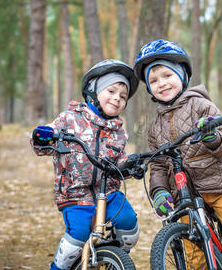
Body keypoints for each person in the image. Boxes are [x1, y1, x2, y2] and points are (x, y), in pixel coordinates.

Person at [133, 39, 222, 269]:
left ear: (182, 75)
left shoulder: (201, 105)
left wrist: (212, 137)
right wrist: (159, 191)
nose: (161, 83)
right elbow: (157, 167)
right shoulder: (155, 126)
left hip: (218, 186)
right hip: (183, 197)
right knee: (195, 257)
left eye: (167, 75)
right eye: (153, 80)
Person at [31, 59, 142, 270]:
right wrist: (41, 137)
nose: (117, 99)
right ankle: (59, 267)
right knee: (79, 235)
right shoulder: (69, 120)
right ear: (93, 90)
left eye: (122, 96)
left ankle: (113, 258)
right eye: (111, 91)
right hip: (75, 194)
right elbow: (42, 146)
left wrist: (131, 167)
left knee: (129, 226)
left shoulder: (118, 132)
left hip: (107, 192)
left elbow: (119, 163)